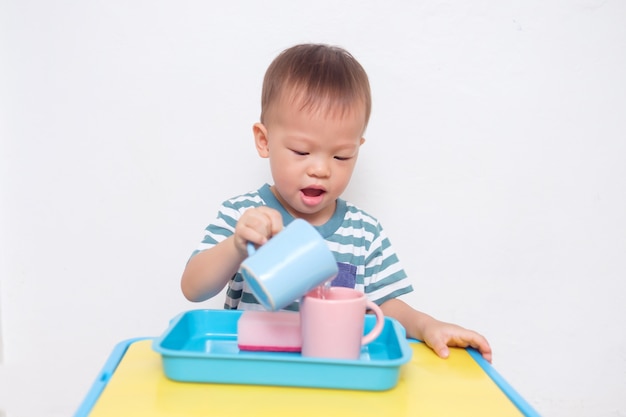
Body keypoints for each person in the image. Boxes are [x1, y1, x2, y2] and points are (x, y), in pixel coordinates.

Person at [181, 43, 492, 362]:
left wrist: (428, 326)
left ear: (358, 147)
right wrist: (236, 245)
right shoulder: (243, 216)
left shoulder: (364, 233)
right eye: (301, 152)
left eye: (341, 155)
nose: (321, 169)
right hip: (251, 372)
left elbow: (387, 305)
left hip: (332, 375)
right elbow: (194, 288)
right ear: (264, 141)